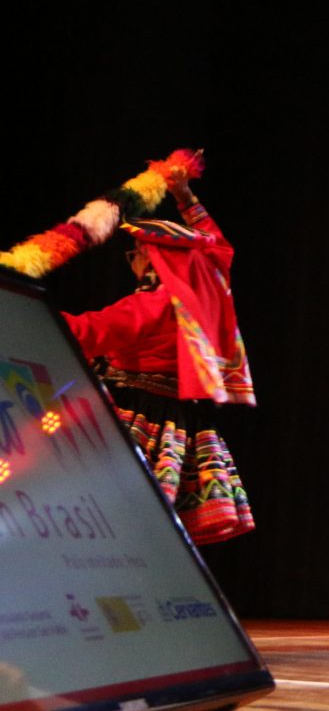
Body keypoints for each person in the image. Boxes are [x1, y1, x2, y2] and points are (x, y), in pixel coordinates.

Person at [64, 159, 255, 545]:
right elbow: (217, 248)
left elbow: (86, 332)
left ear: (154, 258)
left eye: (135, 253)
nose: (133, 261)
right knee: (149, 527)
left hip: (137, 414)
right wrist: (184, 197)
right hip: (179, 417)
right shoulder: (203, 297)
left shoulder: (154, 304)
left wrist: (25, 307)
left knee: (95, 507)